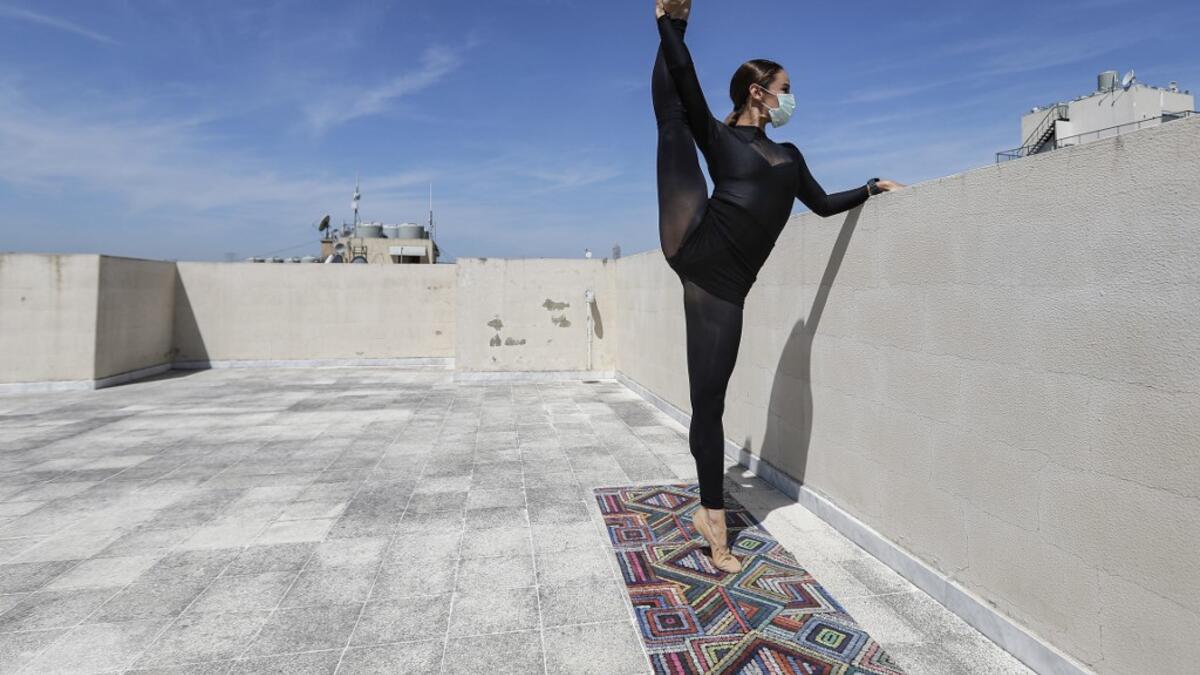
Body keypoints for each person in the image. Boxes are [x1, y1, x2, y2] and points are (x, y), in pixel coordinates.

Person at [652, 0, 904, 574]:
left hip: (726, 288)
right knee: (673, 119)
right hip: (692, 241)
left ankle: (705, 507)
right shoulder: (720, 140)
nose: (792, 97)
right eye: (785, 87)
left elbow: (818, 206)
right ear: (757, 93)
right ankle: (715, 521)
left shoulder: (790, 157)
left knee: (708, 403)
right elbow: (686, 80)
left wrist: (869, 188)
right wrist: (669, 26)